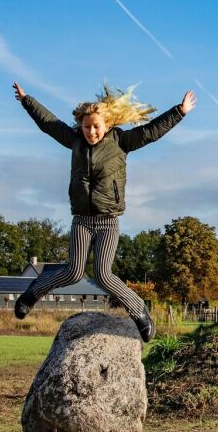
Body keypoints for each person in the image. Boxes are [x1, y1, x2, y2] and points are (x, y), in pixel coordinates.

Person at [12, 81, 196, 341]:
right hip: (82, 220)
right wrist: (27, 100)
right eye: (87, 127)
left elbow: (151, 132)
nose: (91, 132)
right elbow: (49, 123)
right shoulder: (74, 140)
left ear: (107, 123)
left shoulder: (121, 141)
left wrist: (179, 111)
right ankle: (32, 294)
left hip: (108, 220)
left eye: (96, 126)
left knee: (103, 274)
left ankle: (140, 312)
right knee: (74, 271)